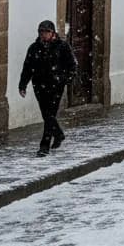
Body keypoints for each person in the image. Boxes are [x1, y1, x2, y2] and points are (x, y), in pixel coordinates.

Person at [18, 20, 77, 156]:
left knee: (50, 114)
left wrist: (65, 79)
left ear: (53, 33)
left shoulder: (62, 46)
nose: (43, 35)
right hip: (39, 85)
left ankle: (44, 146)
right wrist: (23, 85)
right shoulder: (34, 48)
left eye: (46, 32)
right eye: (41, 32)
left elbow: (72, 66)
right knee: (46, 114)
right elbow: (27, 67)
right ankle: (59, 134)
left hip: (56, 86)